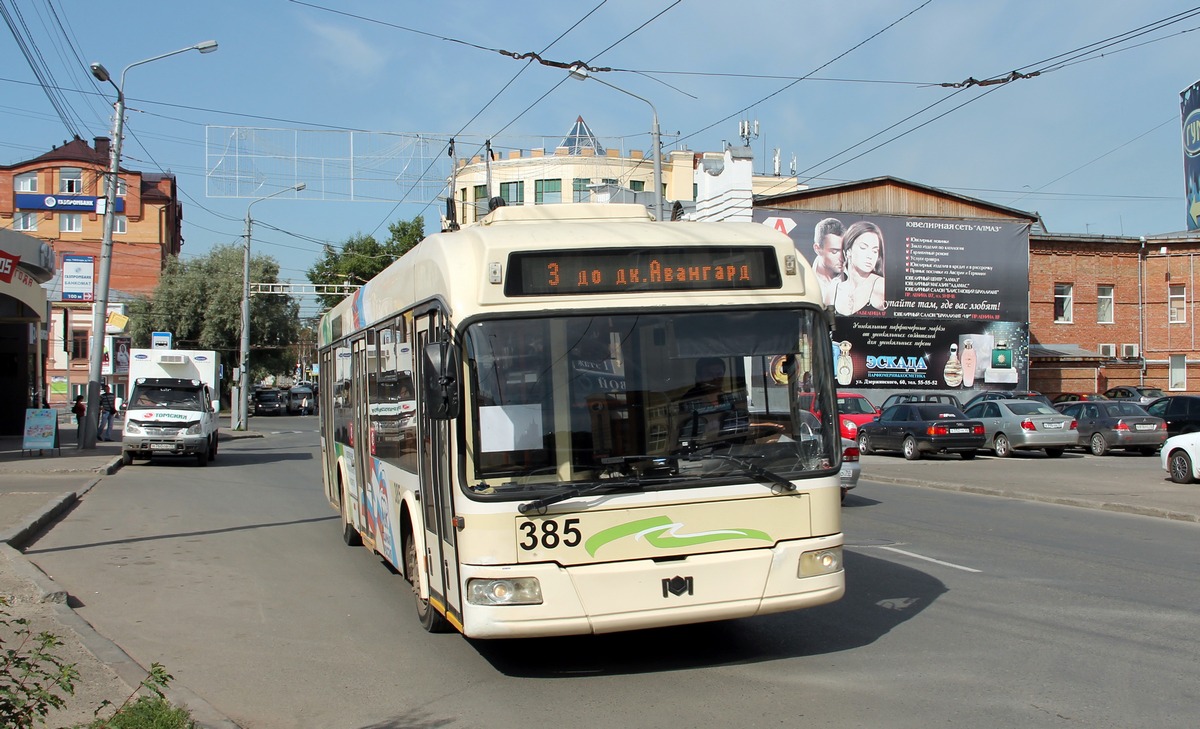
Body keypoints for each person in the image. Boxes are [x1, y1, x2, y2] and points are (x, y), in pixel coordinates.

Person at [831, 220, 887, 316]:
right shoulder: (834, 289)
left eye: (875, 251)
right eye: (863, 248)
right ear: (848, 251)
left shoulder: (880, 286)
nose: (870, 256)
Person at [811, 217, 845, 306]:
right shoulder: (803, 280)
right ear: (817, 249)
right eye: (835, 251)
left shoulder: (855, 278)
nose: (842, 258)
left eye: (844, 251)